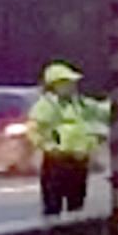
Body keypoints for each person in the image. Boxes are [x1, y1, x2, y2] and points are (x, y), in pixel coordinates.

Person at [28, 61, 108, 216]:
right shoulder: (46, 106)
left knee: (76, 205)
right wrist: (51, 148)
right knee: (53, 207)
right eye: (67, 83)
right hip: (57, 161)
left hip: (79, 160)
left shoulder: (80, 103)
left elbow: (102, 111)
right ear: (54, 85)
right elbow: (35, 131)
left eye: (72, 82)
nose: (72, 86)